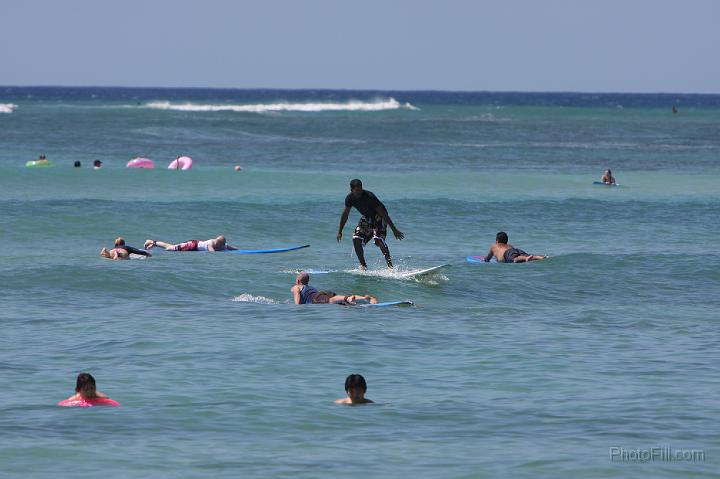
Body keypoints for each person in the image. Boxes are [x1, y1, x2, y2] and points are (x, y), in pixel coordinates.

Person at [337, 179, 404, 269]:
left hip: (379, 216)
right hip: (367, 217)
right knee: (356, 238)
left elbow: (383, 213)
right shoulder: (350, 198)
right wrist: (340, 231)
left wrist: (394, 230)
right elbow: (345, 215)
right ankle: (363, 266)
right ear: (351, 190)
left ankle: (390, 267)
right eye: (356, 191)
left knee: (378, 240)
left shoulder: (369, 196)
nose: (359, 192)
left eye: (360, 189)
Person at [292, 272, 378, 305]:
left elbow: (297, 297)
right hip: (322, 293)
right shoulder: (310, 287)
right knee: (339, 300)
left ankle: (349, 298)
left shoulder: (297, 287)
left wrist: (297, 308)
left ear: (299, 281)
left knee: (332, 300)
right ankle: (364, 298)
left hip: (316, 297)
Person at [144, 235, 237, 251]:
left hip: (195, 246)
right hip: (192, 245)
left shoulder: (221, 244)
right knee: (170, 248)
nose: (216, 244)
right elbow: (212, 253)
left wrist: (238, 250)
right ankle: (152, 242)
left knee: (171, 247)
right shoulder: (211, 244)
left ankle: (154, 244)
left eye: (218, 243)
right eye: (216, 242)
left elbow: (230, 247)